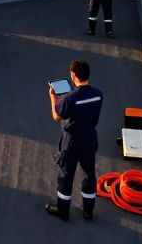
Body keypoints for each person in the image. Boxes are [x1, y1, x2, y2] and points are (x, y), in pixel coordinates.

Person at [45, 59, 104, 221]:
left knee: (65, 174)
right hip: (89, 139)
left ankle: (63, 210)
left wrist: (53, 97)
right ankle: (88, 210)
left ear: (73, 76)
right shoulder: (98, 94)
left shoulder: (69, 98)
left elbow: (57, 116)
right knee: (89, 173)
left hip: (71, 142)